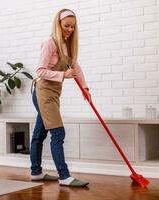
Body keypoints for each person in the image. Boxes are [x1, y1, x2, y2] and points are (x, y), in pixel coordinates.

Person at [30, 8, 91, 187]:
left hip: (53, 93)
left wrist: (85, 88)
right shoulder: (50, 43)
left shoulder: (67, 45)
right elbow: (40, 71)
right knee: (58, 132)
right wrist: (63, 75)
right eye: (66, 26)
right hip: (43, 92)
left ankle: (36, 172)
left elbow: (76, 66)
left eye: (72, 27)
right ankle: (64, 176)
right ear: (58, 24)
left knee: (39, 134)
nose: (70, 30)